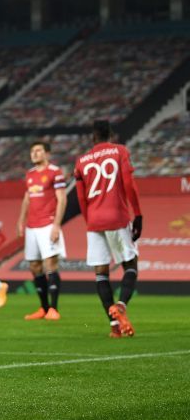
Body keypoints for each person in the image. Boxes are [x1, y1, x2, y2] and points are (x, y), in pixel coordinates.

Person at [74, 120, 143, 338]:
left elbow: (80, 197)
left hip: (94, 220)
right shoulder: (119, 151)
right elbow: (129, 184)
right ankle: (121, 305)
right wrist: (138, 214)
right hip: (116, 216)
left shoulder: (81, 161)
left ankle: (114, 326)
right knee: (130, 263)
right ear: (110, 135)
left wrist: (89, 220)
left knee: (100, 273)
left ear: (93, 137)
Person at [17, 141, 67, 321]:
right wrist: (21, 220)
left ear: (47, 154)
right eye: (32, 151)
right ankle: (43, 308)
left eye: (38, 150)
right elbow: (27, 198)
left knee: (50, 264)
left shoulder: (55, 172)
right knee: (34, 266)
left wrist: (56, 225)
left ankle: (54, 308)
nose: (34, 154)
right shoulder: (29, 175)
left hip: (48, 224)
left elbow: (62, 199)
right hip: (32, 226)